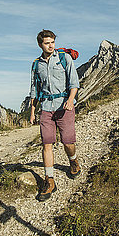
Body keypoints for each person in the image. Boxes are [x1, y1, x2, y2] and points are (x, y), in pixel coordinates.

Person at [29, 29, 81, 201]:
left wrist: (71, 100)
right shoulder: (36, 64)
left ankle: (73, 160)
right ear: (40, 45)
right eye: (47, 43)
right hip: (45, 108)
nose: (51, 45)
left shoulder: (64, 58)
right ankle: (49, 181)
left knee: (68, 142)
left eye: (52, 42)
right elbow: (34, 89)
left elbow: (74, 82)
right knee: (47, 144)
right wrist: (32, 112)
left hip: (64, 106)